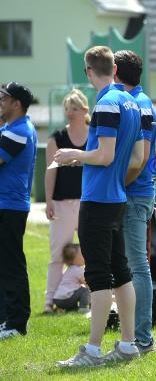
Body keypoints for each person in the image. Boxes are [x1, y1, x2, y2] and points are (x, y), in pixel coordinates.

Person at [54, 45, 144, 367]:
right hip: (117, 197)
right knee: (121, 272)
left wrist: (71, 155)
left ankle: (92, 351)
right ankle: (128, 344)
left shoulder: (106, 103)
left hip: (99, 199)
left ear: (89, 71)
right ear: (114, 69)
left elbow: (104, 156)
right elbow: (135, 158)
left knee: (99, 275)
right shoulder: (132, 103)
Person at [114, 50, 156, 354]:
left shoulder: (139, 105)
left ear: (115, 71)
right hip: (135, 191)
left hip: (134, 192)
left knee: (137, 266)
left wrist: (118, 185)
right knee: (132, 265)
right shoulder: (141, 102)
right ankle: (137, 334)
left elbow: (139, 159)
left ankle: (142, 338)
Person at [44, 89, 90, 314]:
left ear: (84, 110)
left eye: (74, 108)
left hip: (88, 201)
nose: (69, 113)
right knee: (57, 254)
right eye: (67, 109)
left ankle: (95, 297)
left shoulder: (95, 136)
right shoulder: (57, 137)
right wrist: (49, 200)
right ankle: (49, 301)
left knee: (92, 250)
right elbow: (50, 171)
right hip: (62, 202)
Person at [0, 82, 37, 340]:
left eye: (3, 98)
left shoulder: (19, 131)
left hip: (9, 206)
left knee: (12, 265)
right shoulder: (11, 128)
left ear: (16, 104)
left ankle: (16, 323)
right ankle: (5, 319)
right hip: (7, 205)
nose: (0, 102)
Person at [53, 243, 90, 313]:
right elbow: (87, 282)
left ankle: (70, 309)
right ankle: (83, 308)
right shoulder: (77, 270)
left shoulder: (69, 269)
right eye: (82, 255)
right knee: (85, 290)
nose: (85, 255)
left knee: (76, 290)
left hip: (58, 299)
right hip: (65, 298)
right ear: (74, 260)